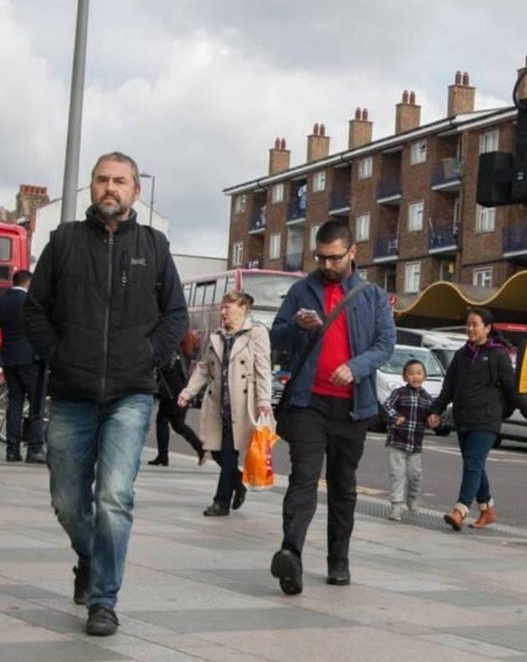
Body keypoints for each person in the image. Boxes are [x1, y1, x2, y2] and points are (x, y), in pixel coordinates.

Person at [23, 151, 186, 636]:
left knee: (115, 495)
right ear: (91, 188)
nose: (109, 188)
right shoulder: (64, 241)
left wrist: (148, 356)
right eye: (101, 180)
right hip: (72, 392)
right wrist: (61, 353)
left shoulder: (155, 247)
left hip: (130, 394)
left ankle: (104, 600)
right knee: (68, 502)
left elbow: (175, 315)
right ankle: (89, 557)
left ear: (136, 190)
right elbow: (35, 310)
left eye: (120, 181)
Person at [269, 219, 394, 594]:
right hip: (308, 403)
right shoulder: (301, 290)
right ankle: (290, 555)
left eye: (334, 258)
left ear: (352, 253)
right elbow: (277, 336)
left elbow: (385, 344)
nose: (326, 266)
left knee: (343, 486)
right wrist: (297, 325)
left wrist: (355, 368)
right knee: (303, 478)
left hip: (353, 407)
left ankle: (338, 562)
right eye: (321, 258)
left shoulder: (371, 295)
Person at [428, 307, 527, 532]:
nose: (470, 329)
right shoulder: (461, 354)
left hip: (487, 419)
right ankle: (487, 510)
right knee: (474, 465)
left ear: (487, 328)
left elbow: (512, 388)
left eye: (475, 324)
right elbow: (449, 387)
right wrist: (436, 411)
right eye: (468, 324)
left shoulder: (498, 354)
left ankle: (460, 510)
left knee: (473, 463)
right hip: (464, 419)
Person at [179, 291, 271, 516]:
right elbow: (204, 367)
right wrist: (188, 392)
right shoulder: (217, 335)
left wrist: (264, 400)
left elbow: (263, 367)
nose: (222, 312)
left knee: (229, 452)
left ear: (242, 309)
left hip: (242, 403)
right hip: (217, 402)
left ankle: (221, 502)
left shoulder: (256, 333)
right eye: (222, 308)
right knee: (212, 448)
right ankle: (237, 482)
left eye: (227, 308)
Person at [0, 269, 45, 463]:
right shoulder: (30, 302)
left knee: (14, 402)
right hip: (30, 358)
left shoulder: (1, 303)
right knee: (36, 404)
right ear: (28, 283)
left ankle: (12, 449)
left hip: (8, 357)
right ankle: (35, 447)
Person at [382, 359, 433, 522]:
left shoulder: (427, 398)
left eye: (419, 373)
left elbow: (432, 417)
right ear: (404, 377)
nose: (415, 377)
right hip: (397, 441)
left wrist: (435, 420)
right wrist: (395, 417)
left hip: (415, 445)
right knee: (397, 475)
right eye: (411, 373)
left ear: (424, 376)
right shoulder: (399, 393)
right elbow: (387, 405)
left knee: (414, 475)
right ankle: (396, 506)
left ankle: (412, 498)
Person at [150, 339, 205, 467]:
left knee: (163, 420)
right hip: (180, 392)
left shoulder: (173, 352)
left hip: (172, 393)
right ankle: (199, 448)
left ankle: (163, 455)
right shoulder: (185, 351)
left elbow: (167, 368)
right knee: (177, 424)